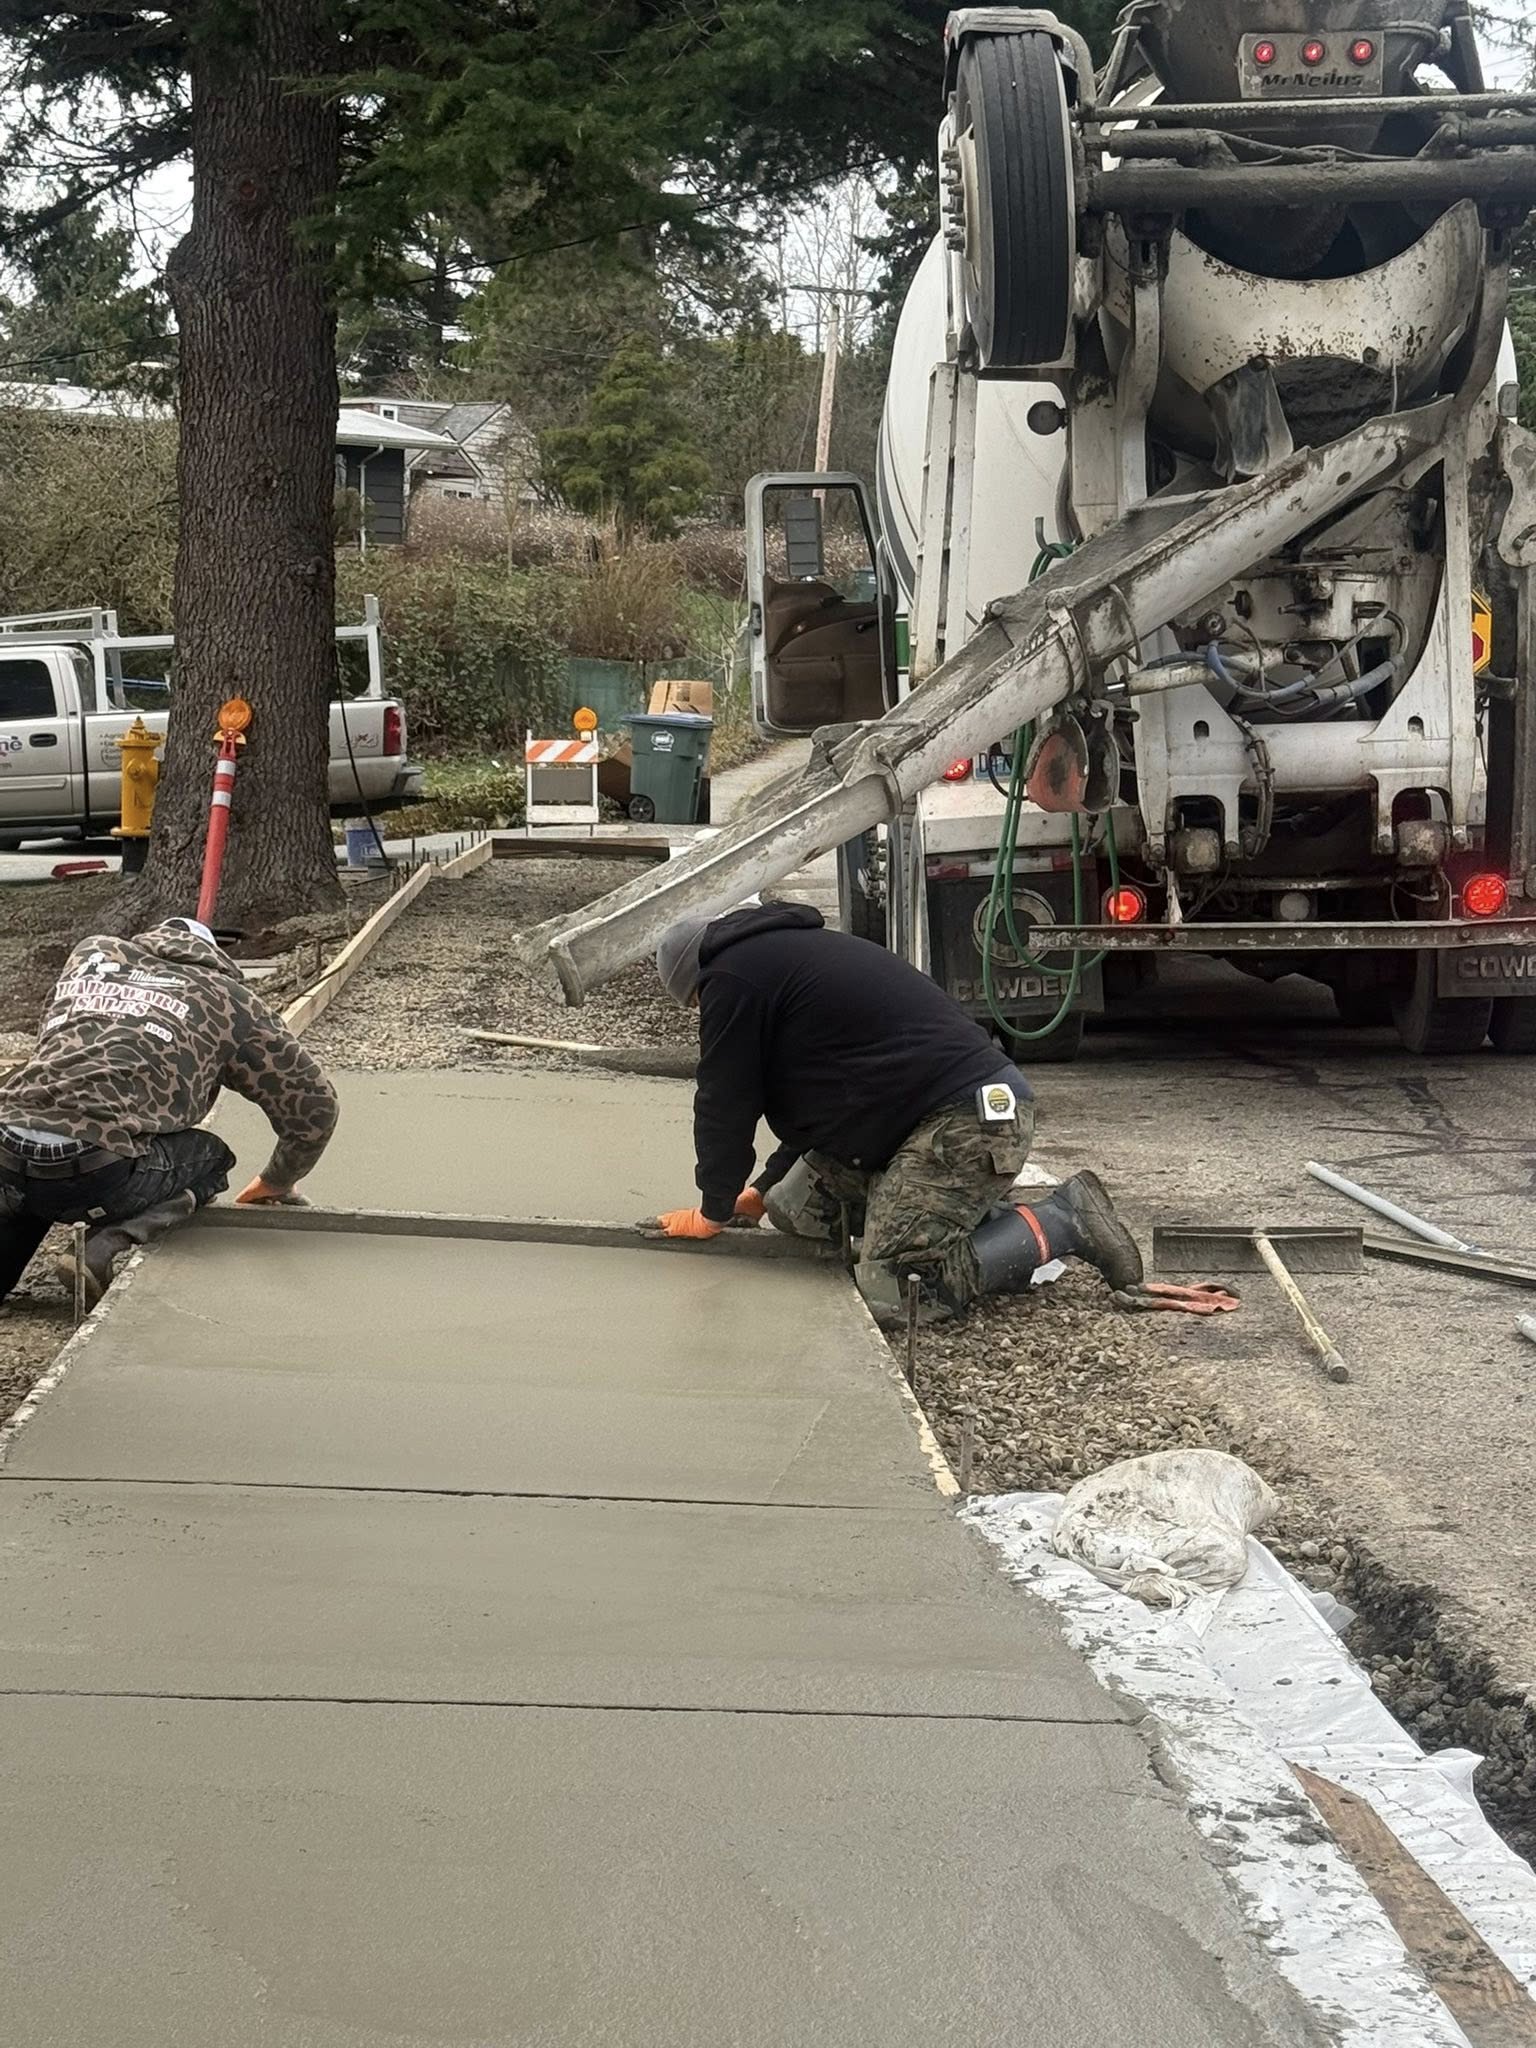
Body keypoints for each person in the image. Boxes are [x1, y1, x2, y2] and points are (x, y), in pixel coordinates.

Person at [646, 902, 1142, 1323]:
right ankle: (963, 1218)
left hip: (969, 1119)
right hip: (912, 1116)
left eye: (695, 1005)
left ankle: (1061, 1222)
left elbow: (724, 1099)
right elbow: (826, 1103)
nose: (702, 1013)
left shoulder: (732, 980)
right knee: (791, 1209)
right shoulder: (771, 964)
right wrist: (758, 1190)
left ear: (694, 984)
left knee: (895, 1290)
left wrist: (712, 1209)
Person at [0, 917, 338, 1311]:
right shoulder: (228, 999)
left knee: (28, 1167)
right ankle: (106, 1243)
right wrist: (277, 1181)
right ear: (214, 955)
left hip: (6, 1143)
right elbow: (315, 1105)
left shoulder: (90, 955)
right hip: (97, 1173)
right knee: (211, 1157)